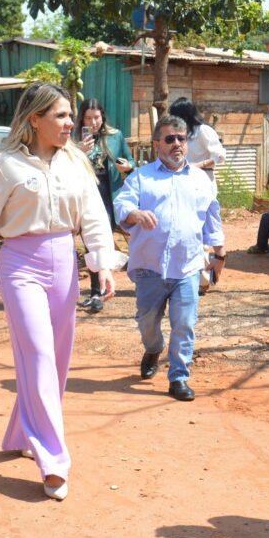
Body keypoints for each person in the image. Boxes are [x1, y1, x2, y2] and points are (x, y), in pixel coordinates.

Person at [0, 82, 123, 502]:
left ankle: (21, 432)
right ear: (35, 119)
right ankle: (54, 460)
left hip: (65, 261)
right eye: (60, 116)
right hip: (20, 265)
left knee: (57, 360)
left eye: (70, 115)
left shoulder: (76, 162)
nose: (69, 123)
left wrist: (102, 263)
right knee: (39, 354)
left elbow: (94, 215)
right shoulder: (5, 164)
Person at [113, 115, 226, 402]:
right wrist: (133, 214)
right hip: (149, 268)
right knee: (147, 323)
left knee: (185, 323)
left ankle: (179, 377)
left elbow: (212, 217)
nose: (177, 144)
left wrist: (219, 252)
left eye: (182, 138)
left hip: (187, 266)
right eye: (170, 139)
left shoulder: (201, 180)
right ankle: (153, 349)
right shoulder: (141, 176)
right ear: (156, 144)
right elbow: (122, 203)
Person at [73, 97, 134, 313]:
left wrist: (127, 167)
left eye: (96, 117)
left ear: (102, 116)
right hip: (84, 195)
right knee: (89, 244)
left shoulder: (115, 136)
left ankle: (100, 291)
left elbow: (130, 160)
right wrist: (78, 151)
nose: (93, 122)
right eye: (88, 118)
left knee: (100, 242)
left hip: (109, 195)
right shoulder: (72, 138)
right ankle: (96, 292)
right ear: (82, 118)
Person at [168, 97, 226, 188]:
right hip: (184, 181)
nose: (172, 120)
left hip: (202, 181)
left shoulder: (203, 130)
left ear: (185, 116)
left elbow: (219, 156)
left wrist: (195, 167)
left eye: (175, 117)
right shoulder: (182, 133)